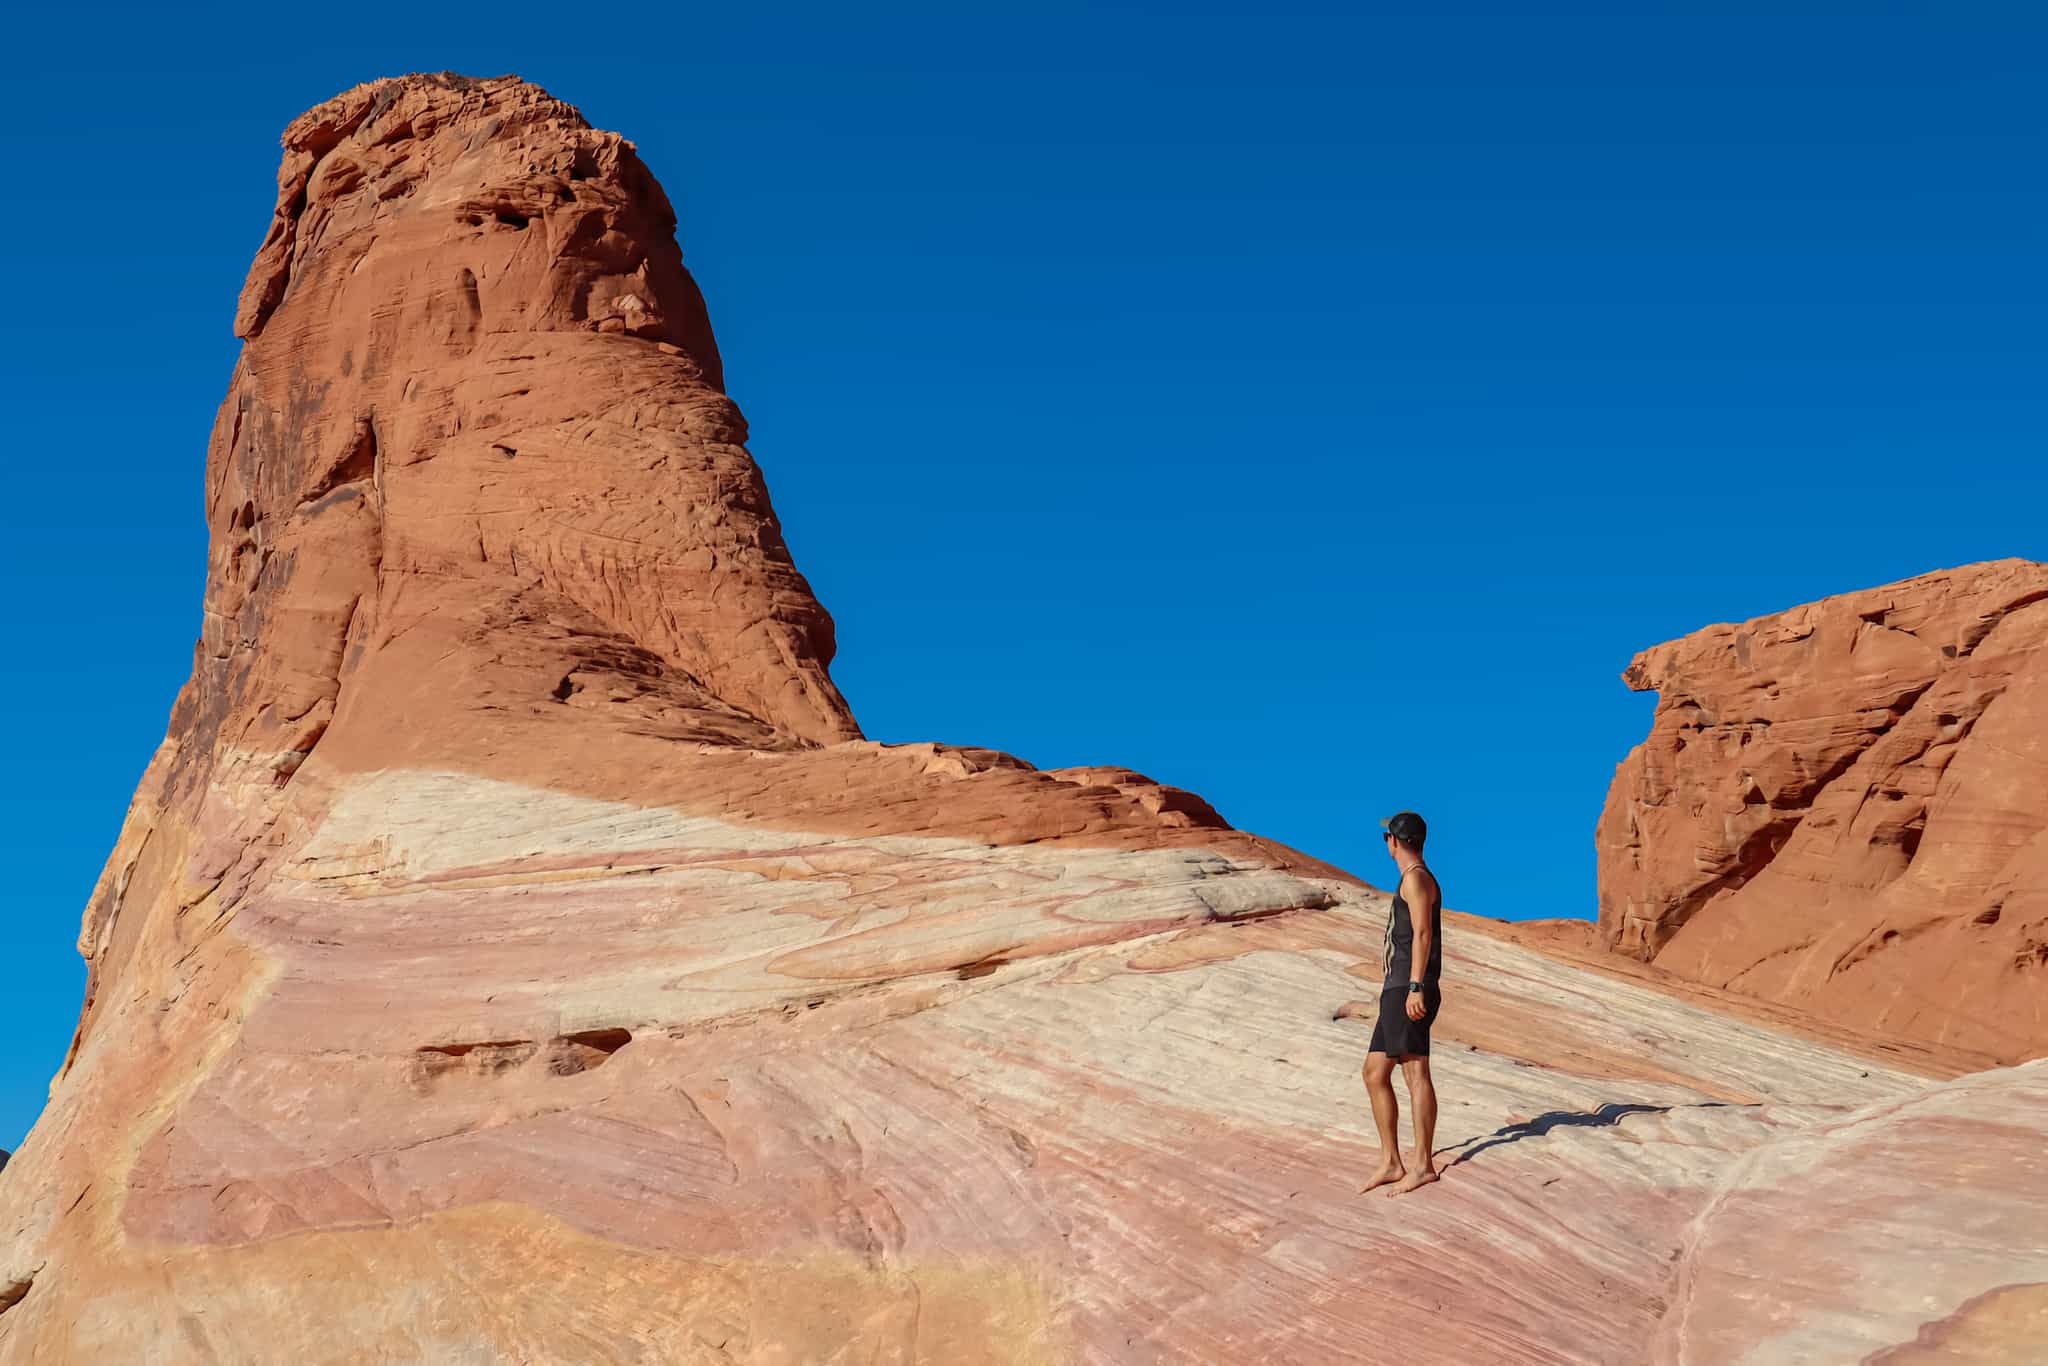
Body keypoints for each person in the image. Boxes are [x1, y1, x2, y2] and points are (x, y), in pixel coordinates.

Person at [1361, 810, 1443, 1196]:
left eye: (1386, 838)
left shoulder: (1417, 879)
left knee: (1415, 1073)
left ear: (1395, 840)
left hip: (1410, 988)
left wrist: (1415, 986)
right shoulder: (1411, 879)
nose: (1386, 844)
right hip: (1396, 989)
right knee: (1375, 1072)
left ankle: (1423, 1165)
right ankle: (1391, 1161)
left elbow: (1423, 933)